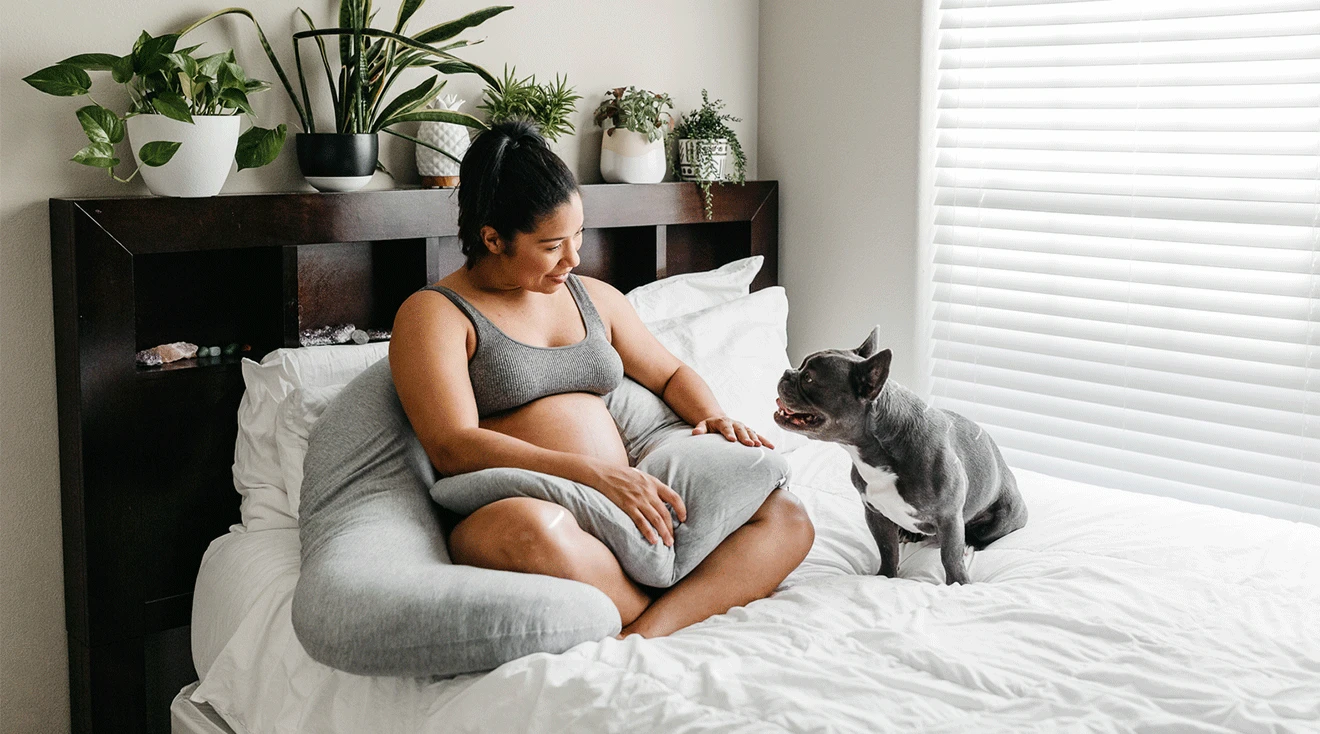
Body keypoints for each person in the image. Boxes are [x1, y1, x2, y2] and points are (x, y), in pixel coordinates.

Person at [389, 120, 814, 639]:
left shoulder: (594, 298)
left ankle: (645, 632)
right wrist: (593, 473)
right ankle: (673, 603)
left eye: (579, 236)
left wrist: (715, 417)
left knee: (788, 516)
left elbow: (671, 372)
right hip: (527, 506)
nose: (574, 258)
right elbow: (452, 446)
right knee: (535, 533)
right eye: (551, 246)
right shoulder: (435, 314)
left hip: (630, 500)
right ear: (493, 238)